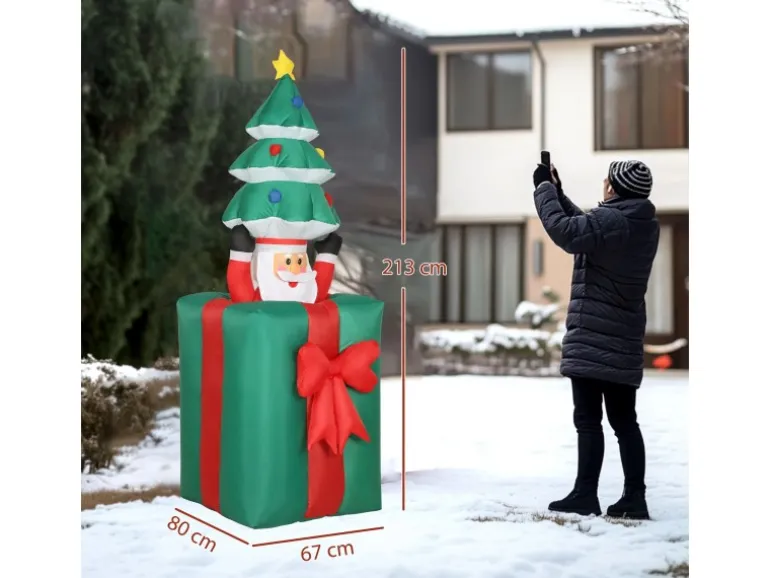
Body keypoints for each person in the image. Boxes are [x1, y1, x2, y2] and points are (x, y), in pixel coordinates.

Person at [532, 159, 659, 520]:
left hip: (594, 336)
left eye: (607, 180)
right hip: (623, 336)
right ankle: (635, 498)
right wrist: (558, 193)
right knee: (624, 421)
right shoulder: (639, 221)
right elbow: (586, 227)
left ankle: (585, 494)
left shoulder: (613, 220)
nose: (604, 184)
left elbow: (567, 232)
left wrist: (543, 189)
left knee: (588, 420)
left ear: (613, 187)